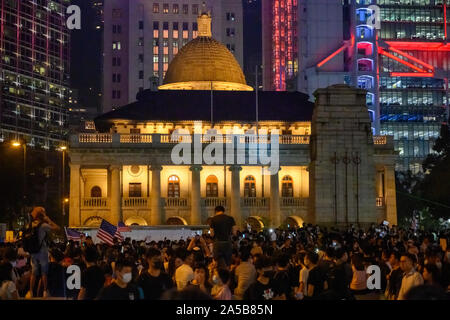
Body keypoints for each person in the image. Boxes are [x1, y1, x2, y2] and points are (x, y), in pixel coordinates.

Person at [26, 207, 60, 298]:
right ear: (42, 216)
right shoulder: (43, 225)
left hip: (33, 252)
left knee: (34, 273)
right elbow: (57, 228)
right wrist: (49, 220)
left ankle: (31, 292)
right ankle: (45, 291)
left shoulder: (29, 225)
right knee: (44, 273)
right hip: (43, 251)